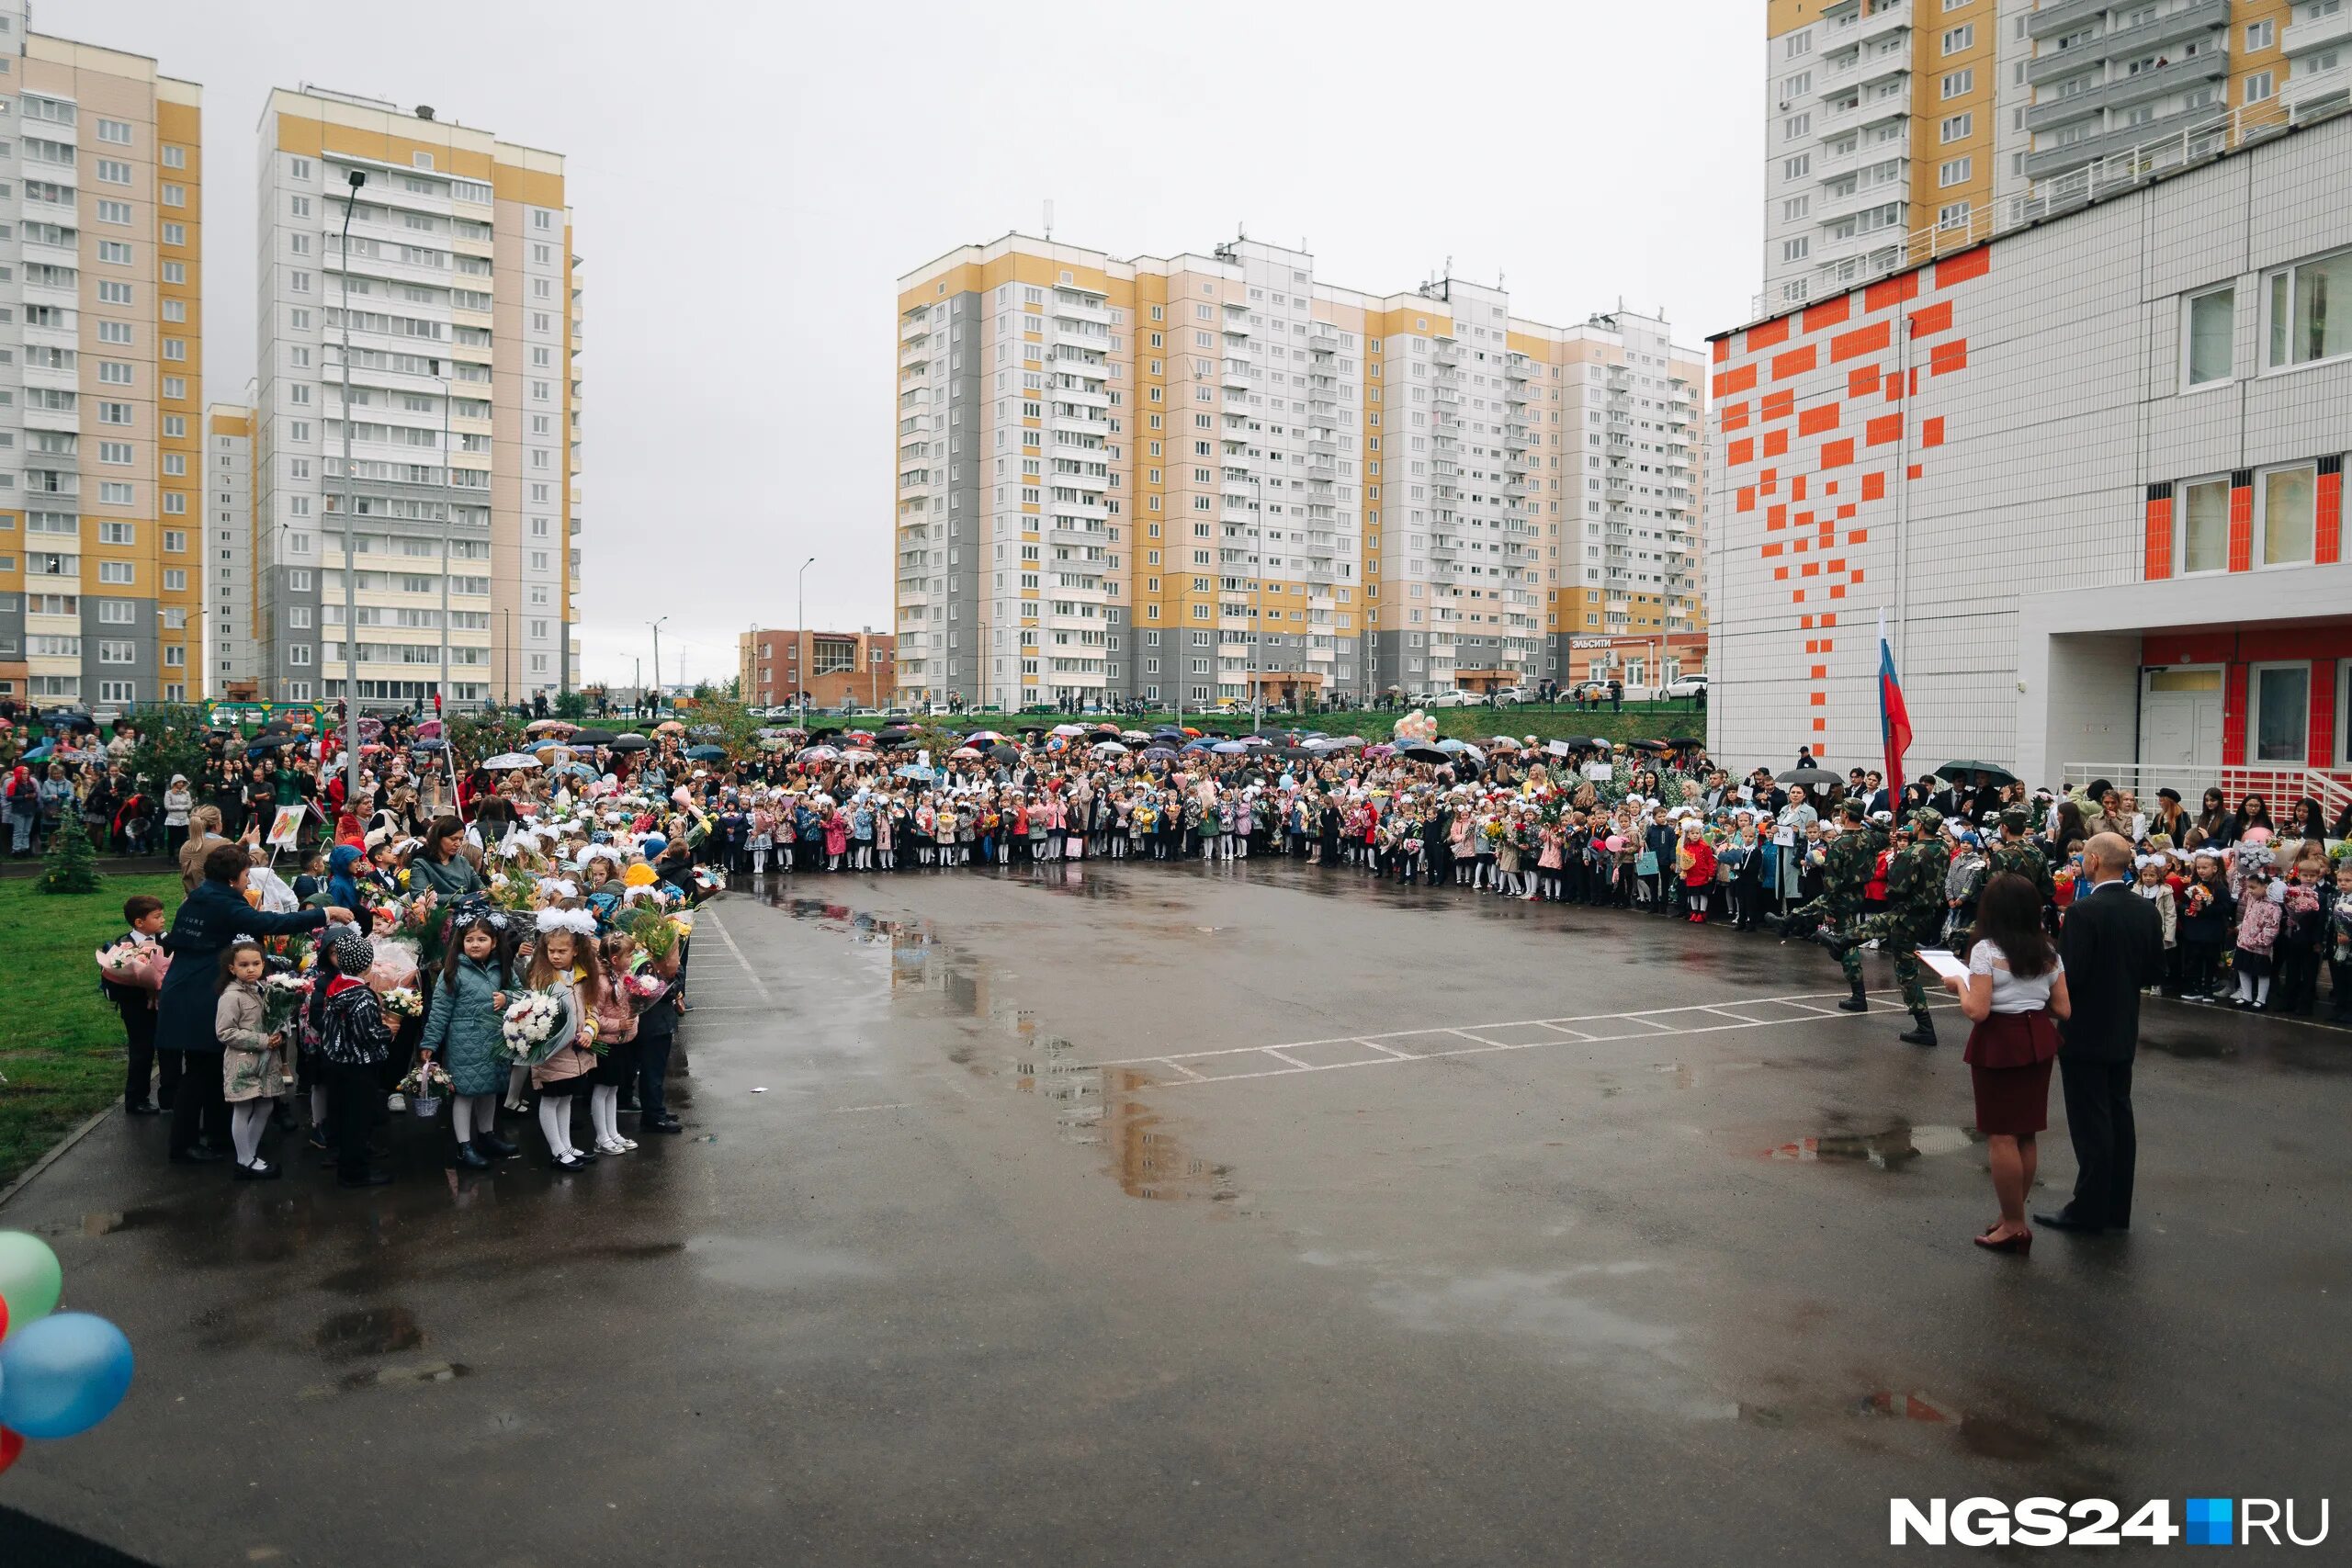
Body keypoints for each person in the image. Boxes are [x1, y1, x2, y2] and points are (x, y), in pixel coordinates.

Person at [155, 841, 345, 1164]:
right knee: (199, 1072)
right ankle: (183, 1144)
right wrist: (325, 913)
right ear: (232, 878)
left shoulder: (201, 896)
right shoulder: (224, 902)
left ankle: (218, 1133)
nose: (248, 881)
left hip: (186, 989)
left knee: (214, 1067)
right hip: (198, 996)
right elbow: (271, 923)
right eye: (245, 875)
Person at [2036, 832, 2163, 1238]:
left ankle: (2087, 1210)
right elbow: (2155, 973)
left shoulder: (2084, 912)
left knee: (2092, 1123)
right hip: (2124, 1025)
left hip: (2085, 1029)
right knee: (2119, 1117)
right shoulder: (2146, 910)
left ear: (2092, 861)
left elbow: (2069, 975)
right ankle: (2115, 1209)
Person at [1944, 871, 2071, 1254]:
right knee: (2026, 1132)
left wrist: (1958, 984)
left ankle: (2014, 1223)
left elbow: (1977, 1011)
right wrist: (2030, 998)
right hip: (2037, 1039)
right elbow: (2063, 1008)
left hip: (2000, 1039)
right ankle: (2013, 1214)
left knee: (2000, 1134)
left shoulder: (1985, 950)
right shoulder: (2049, 951)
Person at [418, 907, 520, 1169]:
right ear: (461, 942)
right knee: (465, 1093)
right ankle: (464, 1145)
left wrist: (507, 998)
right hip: (465, 1043)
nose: (475, 944)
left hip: (496, 1041)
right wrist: (430, 1042)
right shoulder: (453, 972)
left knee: (489, 1090)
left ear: (494, 942)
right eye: (470, 939)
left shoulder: (503, 968)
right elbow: (439, 1010)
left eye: (482, 939)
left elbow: (523, 995)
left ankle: (487, 1136)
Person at [215, 939, 288, 1180]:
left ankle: (251, 1153)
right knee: (244, 1106)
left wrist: (279, 1033)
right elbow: (225, 1032)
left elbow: (275, 1019)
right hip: (244, 1061)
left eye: (256, 963)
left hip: (267, 1061)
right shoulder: (231, 996)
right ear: (232, 968)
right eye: (244, 964)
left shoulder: (264, 990)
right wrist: (262, 1040)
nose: (250, 969)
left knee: (266, 1104)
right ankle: (244, 1160)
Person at [106, 893, 175, 1115]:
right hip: (136, 1008)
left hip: (165, 1006)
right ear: (139, 922)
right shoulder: (123, 945)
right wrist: (144, 986)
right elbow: (117, 973)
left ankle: (170, 1096)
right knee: (141, 1052)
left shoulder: (166, 940)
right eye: (157, 916)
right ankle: (136, 1099)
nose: (163, 919)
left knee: (169, 1050)